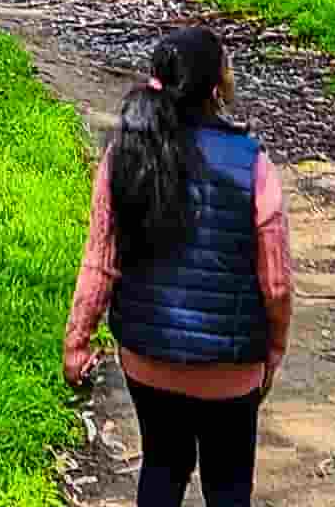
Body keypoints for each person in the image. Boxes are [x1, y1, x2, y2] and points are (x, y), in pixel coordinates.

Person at [61, 25, 292, 507]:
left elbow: (100, 262)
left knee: (162, 467)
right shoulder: (253, 165)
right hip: (231, 368)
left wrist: (77, 342)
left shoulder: (124, 155)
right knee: (228, 485)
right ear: (215, 90)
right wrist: (273, 348)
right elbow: (276, 284)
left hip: (148, 359)